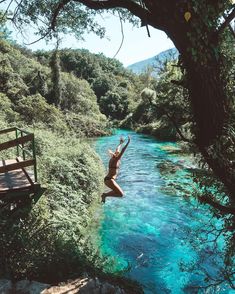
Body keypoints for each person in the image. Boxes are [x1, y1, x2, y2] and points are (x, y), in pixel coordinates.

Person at [101, 135, 131, 203]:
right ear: (116, 154)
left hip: (108, 179)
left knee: (118, 193)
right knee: (121, 194)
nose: (118, 152)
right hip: (110, 180)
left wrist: (120, 143)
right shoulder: (116, 159)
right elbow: (122, 150)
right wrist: (128, 142)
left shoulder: (113, 158)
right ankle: (104, 195)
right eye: (118, 153)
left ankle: (105, 195)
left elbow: (117, 149)